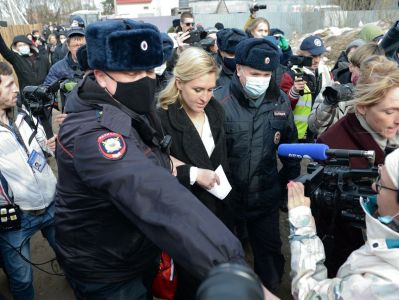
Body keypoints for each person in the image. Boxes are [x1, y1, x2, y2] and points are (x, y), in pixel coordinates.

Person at [55, 19, 246, 300]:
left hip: (136, 250)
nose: (145, 80)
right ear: (101, 75)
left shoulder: (133, 106)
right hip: (107, 270)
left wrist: (184, 168)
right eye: (132, 73)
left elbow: (156, 155)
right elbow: (153, 193)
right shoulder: (93, 135)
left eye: (149, 70)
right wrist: (231, 267)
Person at [213, 38, 301, 291]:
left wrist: (288, 184)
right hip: (226, 201)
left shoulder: (280, 102)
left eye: (266, 74)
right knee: (226, 260)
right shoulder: (219, 102)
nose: (261, 79)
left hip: (265, 200)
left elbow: (290, 148)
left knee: (271, 262)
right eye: (254, 73)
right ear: (239, 69)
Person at [158, 46, 236, 300]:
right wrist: (192, 173)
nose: (205, 97)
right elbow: (153, 165)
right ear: (179, 83)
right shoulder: (161, 117)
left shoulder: (215, 111)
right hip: (185, 216)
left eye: (211, 89)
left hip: (219, 207)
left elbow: (221, 157)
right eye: (198, 89)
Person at [315, 55, 399, 277]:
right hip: (353, 260)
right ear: (362, 107)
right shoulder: (332, 145)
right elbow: (327, 216)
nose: (398, 119)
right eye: (389, 112)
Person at [288, 148, 399, 299]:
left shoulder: (380, 285)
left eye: (381, 184)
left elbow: (308, 294)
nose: (373, 187)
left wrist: (302, 227)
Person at [0, 62, 57, 300]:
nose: (17, 89)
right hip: (17, 220)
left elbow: (41, 150)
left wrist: (50, 145)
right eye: (9, 84)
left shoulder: (24, 114)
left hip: (53, 205)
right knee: (22, 280)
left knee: (70, 256)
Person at [308, 42, 385, 136]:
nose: (350, 68)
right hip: (337, 147)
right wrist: (329, 102)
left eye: (356, 66)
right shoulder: (334, 89)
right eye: (350, 63)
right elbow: (314, 127)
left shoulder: (389, 96)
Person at [280, 35, 332, 142]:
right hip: (297, 135)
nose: (316, 60)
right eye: (312, 56)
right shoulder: (291, 74)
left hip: (320, 133)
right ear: (301, 55)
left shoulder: (326, 72)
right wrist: (294, 92)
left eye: (319, 55)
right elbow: (282, 107)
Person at [43, 27, 86, 110]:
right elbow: (47, 92)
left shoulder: (95, 65)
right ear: (68, 46)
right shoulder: (57, 68)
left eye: (82, 45)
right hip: (70, 115)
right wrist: (62, 105)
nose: (79, 48)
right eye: (75, 46)